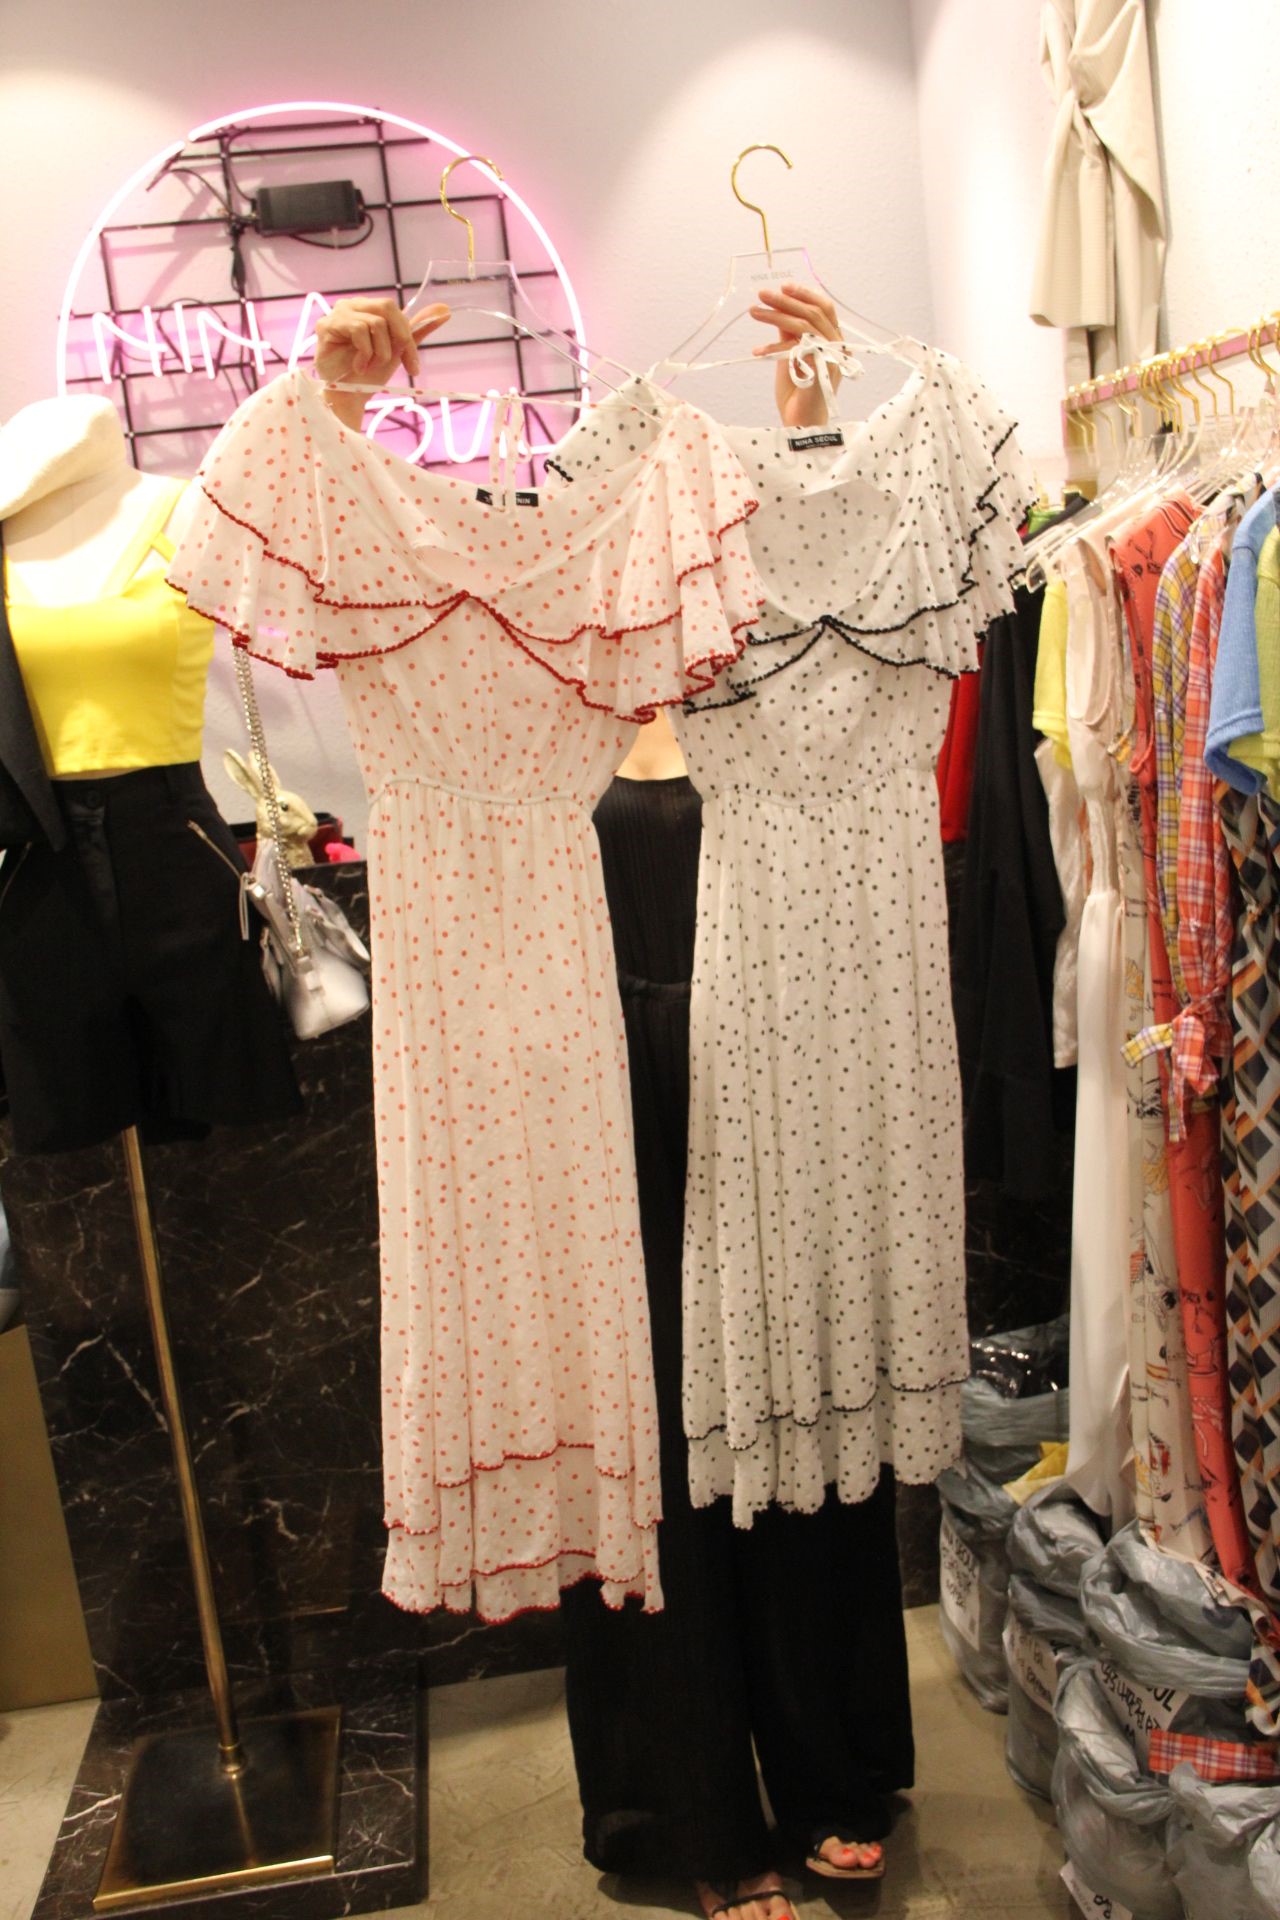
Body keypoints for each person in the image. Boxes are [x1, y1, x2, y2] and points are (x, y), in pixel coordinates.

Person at [309, 288, 913, 1920]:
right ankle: (691, 1812)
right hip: (582, 1113)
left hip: (772, 1088)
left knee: (789, 1419)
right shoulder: (516, 687)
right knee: (643, 1459)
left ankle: (836, 1765)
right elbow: (299, 523)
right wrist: (339, 399)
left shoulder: (754, 661)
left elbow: (848, 561)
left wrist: (808, 413)